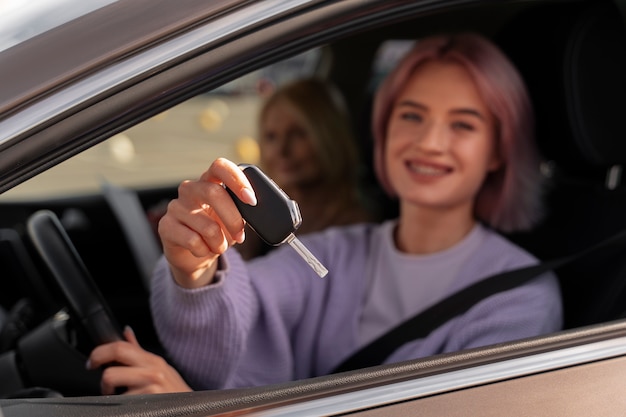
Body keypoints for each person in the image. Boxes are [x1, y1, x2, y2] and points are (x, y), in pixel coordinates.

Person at [87, 32, 563, 394]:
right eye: (411, 116)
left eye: (463, 124)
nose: (429, 142)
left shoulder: (520, 299)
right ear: (382, 129)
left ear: (499, 150)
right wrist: (195, 269)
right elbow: (240, 316)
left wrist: (195, 407)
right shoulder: (336, 251)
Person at [237, 77, 376, 260]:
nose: (281, 150)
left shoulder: (356, 228)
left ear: (329, 138)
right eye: (271, 136)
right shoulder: (254, 212)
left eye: (298, 134)